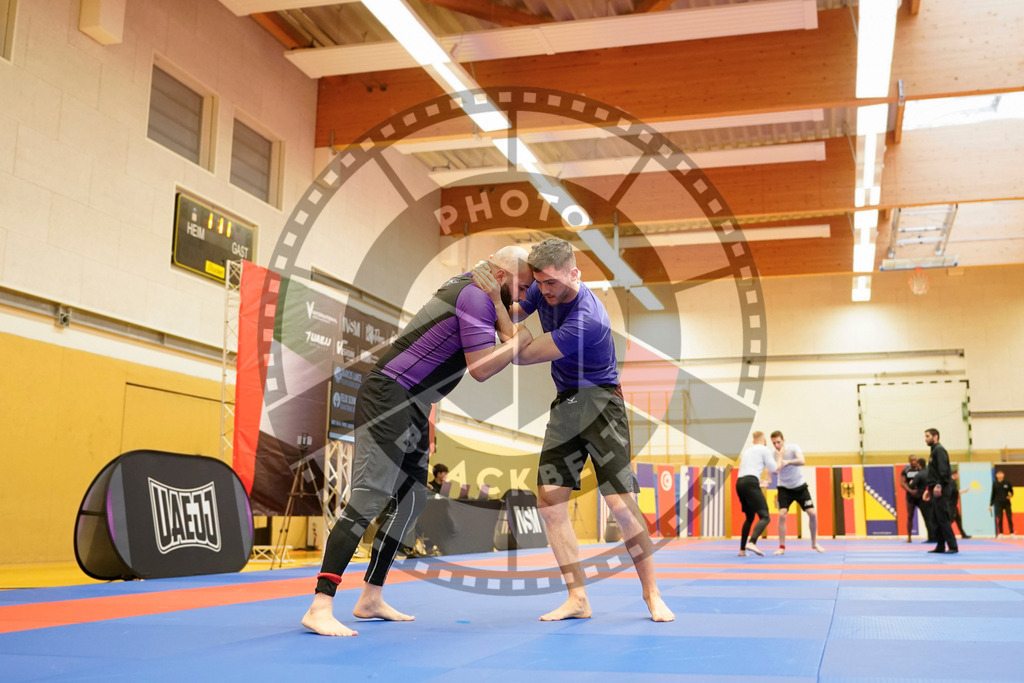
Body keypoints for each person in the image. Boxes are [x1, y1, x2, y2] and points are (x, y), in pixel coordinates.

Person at [302, 246, 535, 637]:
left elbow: (512, 328)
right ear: (499, 277)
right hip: (389, 394)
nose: (524, 297)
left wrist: (505, 307)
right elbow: (482, 367)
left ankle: (371, 596)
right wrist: (515, 338)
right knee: (370, 496)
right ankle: (320, 603)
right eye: (522, 287)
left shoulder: (484, 292)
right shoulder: (473, 296)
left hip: (413, 403)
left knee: (413, 499)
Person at [474, 237, 674, 623]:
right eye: (538, 283)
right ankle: (577, 597)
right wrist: (496, 302)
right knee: (550, 505)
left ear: (574, 274)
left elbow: (524, 354)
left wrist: (502, 314)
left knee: (621, 506)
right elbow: (514, 318)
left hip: (601, 402)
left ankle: (652, 594)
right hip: (566, 402)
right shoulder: (540, 287)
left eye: (551, 283)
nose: (543, 291)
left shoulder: (588, 318)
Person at [770, 431, 824, 555]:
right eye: (774, 443)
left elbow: (802, 461)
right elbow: (775, 471)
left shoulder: (793, 448)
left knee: (812, 513)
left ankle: (814, 543)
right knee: (782, 514)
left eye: (778, 442)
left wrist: (787, 461)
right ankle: (782, 547)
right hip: (784, 487)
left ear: (784, 440)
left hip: (800, 486)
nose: (777, 445)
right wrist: (779, 458)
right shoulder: (773, 455)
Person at [735, 431, 778, 557]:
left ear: (754, 441)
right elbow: (774, 469)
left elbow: (749, 470)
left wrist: (759, 482)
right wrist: (781, 459)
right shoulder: (765, 450)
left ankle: (742, 550)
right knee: (765, 516)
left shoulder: (747, 451)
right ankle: (752, 542)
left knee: (749, 517)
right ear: (764, 441)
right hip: (751, 482)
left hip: (740, 483)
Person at [921, 428, 958, 554]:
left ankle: (953, 546)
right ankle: (940, 545)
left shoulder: (940, 451)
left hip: (940, 489)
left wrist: (938, 486)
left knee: (942, 518)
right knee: (935, 519)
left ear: (935, 436)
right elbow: (933, 473)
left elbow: (943, 471)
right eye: (925, 436)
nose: (925, 439)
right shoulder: (933, 451)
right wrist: (927, 489)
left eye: (928, 436)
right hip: (933, 488)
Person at [899, 455, 926, 543]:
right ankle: (909, 537)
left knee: (926, 515)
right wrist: (910, 491)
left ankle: (931, 536)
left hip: (920, 495)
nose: (914, 462)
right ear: (909, 461)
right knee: (910, 516)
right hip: (910, 496)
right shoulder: (905, 470)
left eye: (915, 460)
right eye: (912, 460)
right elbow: (902, 483)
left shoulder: (920, 470)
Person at [990, 470, 1015, 537]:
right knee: (1000, 518)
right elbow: (993, 494)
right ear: (996, 475)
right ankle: (1001, 533)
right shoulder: (994, 483)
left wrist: (1010, 496)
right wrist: (990, 504)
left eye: (1001, 474)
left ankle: (1012, 532)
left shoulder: (1007, 482)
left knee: (1009, 518)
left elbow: (1012, 492)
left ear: (1003, 475)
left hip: (1006, 503)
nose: (1000, 475)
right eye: (998, 474)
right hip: (998, 503)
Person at [949, 469, 971, 539]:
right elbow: (955, 493)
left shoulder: (952, 482)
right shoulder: (952, 482)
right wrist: (963, 491)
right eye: (958, 474)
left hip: (953, 504)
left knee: (958, 519)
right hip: (951, 504)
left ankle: (963, 534)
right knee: (950, 519)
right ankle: (945, 533)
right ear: (954, 474)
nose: (959, 476)